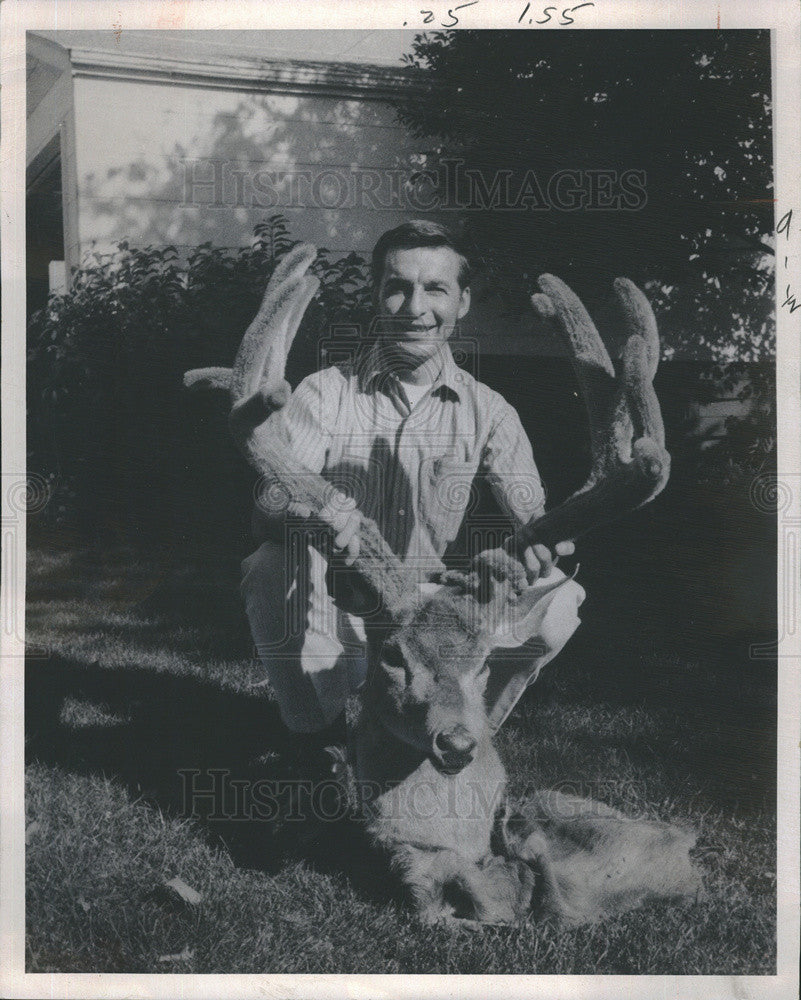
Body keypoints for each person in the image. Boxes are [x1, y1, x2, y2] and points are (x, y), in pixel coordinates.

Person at [240, 220, 582, 776]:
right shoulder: (324, 393)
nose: (414, 307)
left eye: (436, 289)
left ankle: (461, 727)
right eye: (397, 287)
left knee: (560, 599)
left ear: (462, 302)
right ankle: (319, 741)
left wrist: (543, 540)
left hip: (437, 617)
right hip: (347, 601)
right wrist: (311, 513)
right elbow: (267, 512)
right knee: (269, 565)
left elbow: (532, 515)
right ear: (377, 295)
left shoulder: (488, 411)